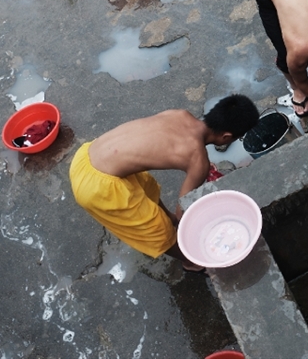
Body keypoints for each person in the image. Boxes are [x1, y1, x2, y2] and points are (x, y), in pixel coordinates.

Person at [69, 96, 259, 270]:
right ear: (226, 137)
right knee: (158, 232)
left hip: (86, 157)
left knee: (147, 186)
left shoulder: (180, 114)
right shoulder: (198, 160)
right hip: (96, 188)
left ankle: (168, 219)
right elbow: (183, 209)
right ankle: (189, 261)